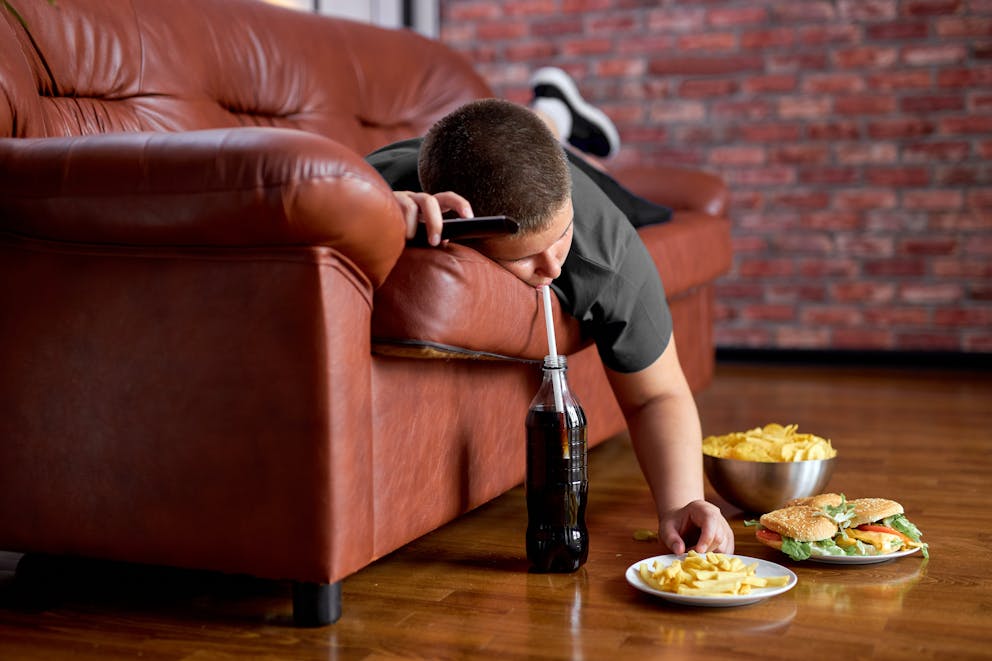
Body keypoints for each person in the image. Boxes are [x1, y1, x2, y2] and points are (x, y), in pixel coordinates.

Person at [365, 68, 734, 555]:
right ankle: (553, 116)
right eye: (526, 257)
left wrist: (682, 502)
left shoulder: (606, 254)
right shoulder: (371, 187)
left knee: (644, 211)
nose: (553, 266)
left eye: (559, 239)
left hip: (591, 190)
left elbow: (657, 395)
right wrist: (373, 224)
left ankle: (556, 124)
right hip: (432, 161)